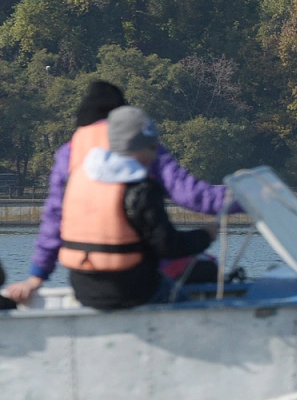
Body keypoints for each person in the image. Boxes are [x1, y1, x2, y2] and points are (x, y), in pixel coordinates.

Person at [3, 81, 235, 304]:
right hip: (136, 282)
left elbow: (54, 220)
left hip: (85, 283)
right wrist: (240, 199)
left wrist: (36, 277)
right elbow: (191, 197)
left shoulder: (70, 153)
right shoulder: (141, 147)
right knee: (201, 276)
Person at [62, 106, 217, 310]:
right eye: (152, 148)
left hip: (83, 288)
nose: (155, 156)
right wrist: (206, 236)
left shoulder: (79, 177)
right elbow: (168, 246)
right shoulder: (141, 188)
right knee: (191, 308)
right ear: (136, 147)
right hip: (130, 290)